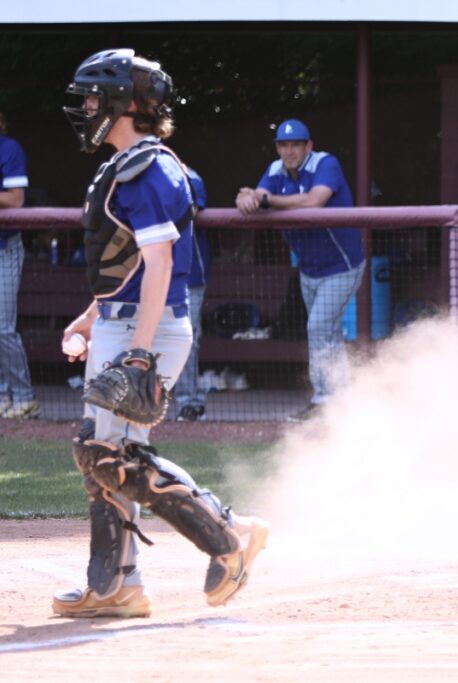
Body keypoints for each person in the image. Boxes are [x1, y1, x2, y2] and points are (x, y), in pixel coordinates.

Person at [54, 48, 267, 618]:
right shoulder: (125, 163)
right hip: (123, 323)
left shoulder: (147, 169)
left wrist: (140, 352)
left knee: (109, 452)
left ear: (127, 102)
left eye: (97, 97)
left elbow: (163, 267)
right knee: (100, 452)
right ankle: (116, 584)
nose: (87, 107)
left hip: (149, 331)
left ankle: (227, 536)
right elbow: (128, 267)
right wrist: (91, 317)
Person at [236, 119, 365, 422]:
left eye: (296, 144)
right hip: (309, 270)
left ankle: (323, 401)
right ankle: (347, 400)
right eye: (284, 145)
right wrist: (247, 197)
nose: (289, 150)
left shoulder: (325, 163)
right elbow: (256, 196)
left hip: (342, 265)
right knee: (328, 333)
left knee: (318, 327)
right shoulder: (275, 169)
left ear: (308, 146)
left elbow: (314, 201)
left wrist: (266, 200)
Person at [0, 112, 40, 419]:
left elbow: (15, 200)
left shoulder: (8, 148)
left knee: (2, 327)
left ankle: (24, 397)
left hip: (5, 247)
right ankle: (2, 395)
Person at [174, 166, 210, 421]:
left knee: (185, 338)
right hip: (148, 274)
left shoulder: (190, 177)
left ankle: (189, 402)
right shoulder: (133, 173)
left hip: (188, 275)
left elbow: (190, 211)